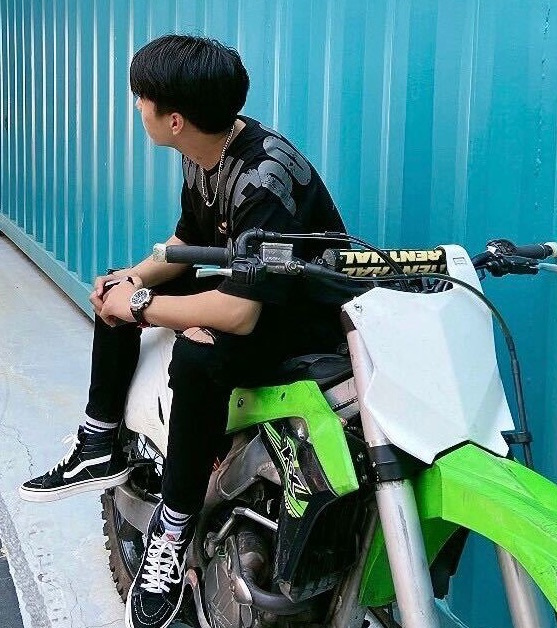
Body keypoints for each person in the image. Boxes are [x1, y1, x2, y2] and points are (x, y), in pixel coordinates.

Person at [19, 35, 346, 628]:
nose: (136, 107)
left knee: (197, 357)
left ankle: (172, 530)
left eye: (140, 99)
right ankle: (99, 442)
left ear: (174, 119)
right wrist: (129, 282)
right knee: (116, 292)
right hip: (256, 295)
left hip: (303, 317)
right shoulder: (206, 149)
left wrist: (145, 305)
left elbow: (242, 314)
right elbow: (186, 244)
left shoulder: (263, 178)